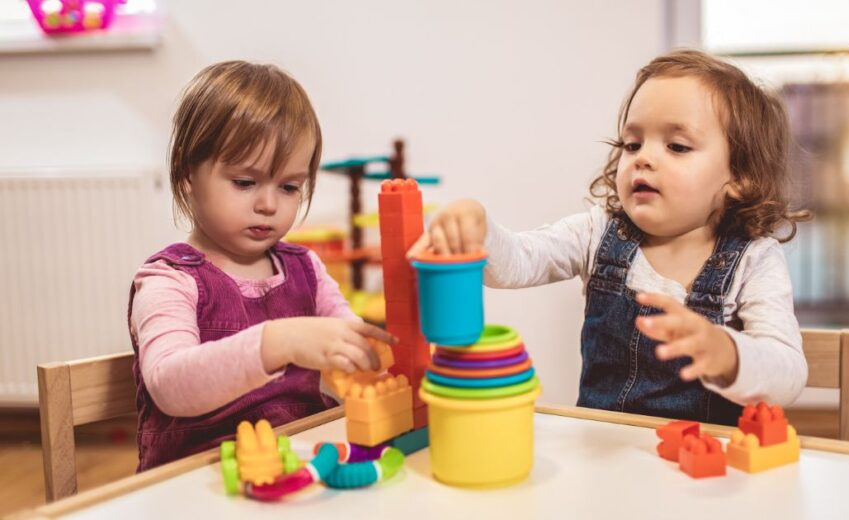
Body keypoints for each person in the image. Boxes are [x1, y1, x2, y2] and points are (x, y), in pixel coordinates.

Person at [408, 50, 810, 425]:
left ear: (741, 177)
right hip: (604, 457)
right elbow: (517, 262)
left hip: (704, 472)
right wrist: (477, 227)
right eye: (631, 143)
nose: (643, 157)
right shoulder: (597, 232)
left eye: (677, 145)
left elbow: (788, 374)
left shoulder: (755, 261)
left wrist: (726, 352)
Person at [128, 61, 392, 470]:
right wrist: (276, 343)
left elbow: (350, 342)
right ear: (186, 175)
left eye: (289, 187)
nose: (269, 204)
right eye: (245, 182)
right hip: (195, 482)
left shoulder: (306, 269)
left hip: (296, 467)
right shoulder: (169, 280)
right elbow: (169, 384)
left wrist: (374, 355)